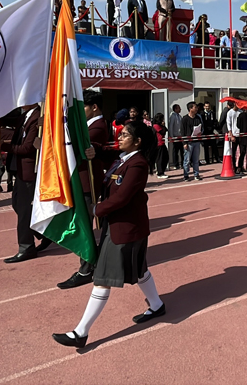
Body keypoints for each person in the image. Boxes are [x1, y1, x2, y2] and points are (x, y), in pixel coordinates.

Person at [52, 121, 165, 348]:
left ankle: (80, 332)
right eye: (120, 134)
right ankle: (157, 305)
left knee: (102, 279)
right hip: (120, 226)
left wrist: (96, 209)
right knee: (139, 269)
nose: (119, 138)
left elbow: (122, 197)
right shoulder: (122, 159)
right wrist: (92, 150)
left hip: (126, 228)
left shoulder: (138, 164)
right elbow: (106, 158)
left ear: (138, 141)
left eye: (124, 135)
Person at [58, 91, 112, 289]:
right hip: (80, 182)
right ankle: (92, 262)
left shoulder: (98, 126)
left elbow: (76, 146)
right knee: (82, 223)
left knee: (84, 226)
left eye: (83, 108)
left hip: (88, 184)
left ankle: (86, 269)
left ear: (94, 107)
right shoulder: (88, 125)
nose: (81, 112)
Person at [4, 104, 50, 262]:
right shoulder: (25, 116)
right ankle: (44, 232)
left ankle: (26, 247)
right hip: (19, 170)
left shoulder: (37, 116)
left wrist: (4, 146)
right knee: (17, 203)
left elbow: (27, 148)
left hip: (30, 171)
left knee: (24, 210)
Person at [181, 102, 203, 181]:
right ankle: (186, 175)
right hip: (188, 142)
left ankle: (196, 174)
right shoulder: (185, 119)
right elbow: (182, 131)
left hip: (196, 141)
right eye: (195, 107)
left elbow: (201, 127)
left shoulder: (198, 118)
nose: (196, 109)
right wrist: (184, 143)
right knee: (187, 160)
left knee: (196, 160)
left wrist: (200, 132)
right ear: (190, 109)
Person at [152, 113, 169, 179]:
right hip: (158, 144)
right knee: (160, 159)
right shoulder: (155, 126)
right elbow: (162, 132)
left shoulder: (160, 125)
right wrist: (163, 126)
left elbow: (166, 130)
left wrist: (163, 125)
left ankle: (161, 170)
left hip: (162, 143)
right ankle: (160, 173)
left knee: (166, 157)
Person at [168, 104, 183, 170]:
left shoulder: (179, 116)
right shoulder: (173, 116)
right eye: (179, 108)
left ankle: (182, 163)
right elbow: (171, 126)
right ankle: (175, 164)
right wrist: (171, 136)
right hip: (175, 136)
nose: (180, 109)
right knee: (175, 151)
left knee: (182, 151)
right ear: (175, 109)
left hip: (180, 136)